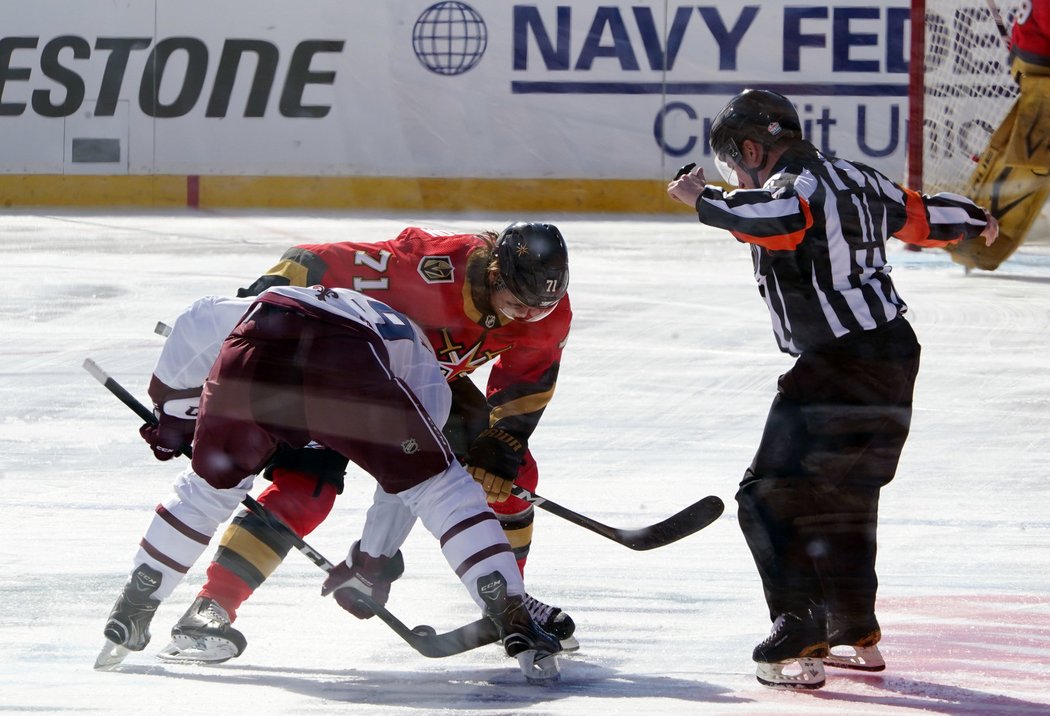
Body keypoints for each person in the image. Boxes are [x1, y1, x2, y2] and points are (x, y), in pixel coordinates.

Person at [666, 89, 999, 690]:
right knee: (846, 495)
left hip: (837, 363)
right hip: (895, 354)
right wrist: (978, 219)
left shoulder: (793, 187)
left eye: (733, 164)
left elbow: (782, 221)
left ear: (750, 148)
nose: (734, 176)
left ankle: (799, 629)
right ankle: (854, 629)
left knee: (767, 494)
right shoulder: (858, 178)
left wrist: (705, 199)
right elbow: (923, 216)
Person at [139, 223, 577, 662]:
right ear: (496, 274)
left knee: (512, 471)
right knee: (306, 489)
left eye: (539, 310)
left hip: (420, 384)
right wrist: (258, 311)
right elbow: (313, 260)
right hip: (334, 370)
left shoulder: (545, 309)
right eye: (518, 305)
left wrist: (502, 440)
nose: (526, 317)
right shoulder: (429, 266)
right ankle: (210, 607)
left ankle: (508, 603)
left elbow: (526, 383)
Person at [947, 0, 1049, 271]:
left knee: (1021, 166)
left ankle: (973, 240)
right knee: (1026, 168)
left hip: (1036, 71)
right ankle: (974, 243)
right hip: (1042, 79)